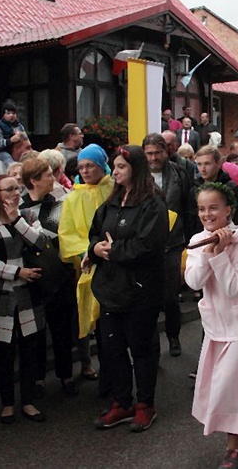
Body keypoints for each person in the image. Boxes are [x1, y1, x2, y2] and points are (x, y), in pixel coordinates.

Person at [185, 183, 238, 469]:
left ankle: (234, 446)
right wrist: (210, 252)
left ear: (228, 210)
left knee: (234, 388)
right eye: (201, 208)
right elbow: (194, 282)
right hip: (216, 326)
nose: (207, 214)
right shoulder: (198, 239)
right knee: (227, 386)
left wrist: (222, 253)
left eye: (213, 208)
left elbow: (234, 287)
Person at [89, 145, 168, 433]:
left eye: (121, 166)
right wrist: (94, 248)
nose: (116, 171)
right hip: (110, 290)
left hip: (140, 291)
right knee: (112, 349)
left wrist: (113, 250)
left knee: (142, 349)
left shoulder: (153, 204)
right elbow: (95, 231)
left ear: (135, 168)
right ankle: (121, 402)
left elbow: (149, 244)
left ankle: (145, 405)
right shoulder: (112, 201)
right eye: (115, 166)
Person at [0, 174, 47, 424]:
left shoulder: (28, 216)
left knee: (30, 348)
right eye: (9, 189)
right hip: (2, 294)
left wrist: (17, 220)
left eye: (17, 188)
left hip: (28, 293)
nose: (15, 193)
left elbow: (39, 241)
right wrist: (18, 272)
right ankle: (7, 403)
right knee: (5, 351)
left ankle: (29, 401)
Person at [19, 158, 79, 398]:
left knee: (62, 331)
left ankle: (66, 375)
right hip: (32, 279)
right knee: (36, 334)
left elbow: (54, 237)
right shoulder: (20, 207)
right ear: (33, 180)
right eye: (46, 175)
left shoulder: (56, 204)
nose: (52, 179)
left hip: (58, 275)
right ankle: (38, 377)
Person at [57, 144, 113, 388]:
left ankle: (115, 374)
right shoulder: (72, 197)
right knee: (97, 324)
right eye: (81, 167)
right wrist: (86, 251)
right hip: (89, 265)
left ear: (101, 165)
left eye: (91, 165)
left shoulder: (114, 189)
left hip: (115, 262)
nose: (86, 171)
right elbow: (66, 233)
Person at [142, 134, 193, 357]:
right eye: (149, 153)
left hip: (174, 241)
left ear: (166, 151)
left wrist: (191, 241)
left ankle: (173, 336)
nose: (153, 158)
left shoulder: (179, 172)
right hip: (146, 244)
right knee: (149, 296)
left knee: (171, 296)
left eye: (157, 153)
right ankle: (150, 343)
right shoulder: (138, 175)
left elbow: (187, 206)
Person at [193, 146, 238, 227]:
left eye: (207, 163)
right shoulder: (194, 188)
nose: (203, 169)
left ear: (219, 163)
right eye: (199, 164)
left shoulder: (232, 189)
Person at [0, 99, 27, 165]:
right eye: (8, 113)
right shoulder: (0, 126)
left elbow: (26, 138)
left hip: (17, 150)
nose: (11, 115)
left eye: (13, 113)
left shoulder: (19, 125)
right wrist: (10, 140)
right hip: (3, 152)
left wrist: (22, 136)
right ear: (4, 115)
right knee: (9, 162)